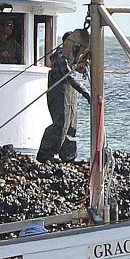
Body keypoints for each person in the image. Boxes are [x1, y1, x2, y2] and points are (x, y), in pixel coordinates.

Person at [37, 30, 90, 163]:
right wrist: (86, 93)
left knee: (71, 124)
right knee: (60, 123)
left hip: (70, 96)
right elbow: (69, 77)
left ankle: (68, 155)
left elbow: (78, 69)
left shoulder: (71, 57)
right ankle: (46, 153)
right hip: (59, 94)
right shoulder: (60, 57)